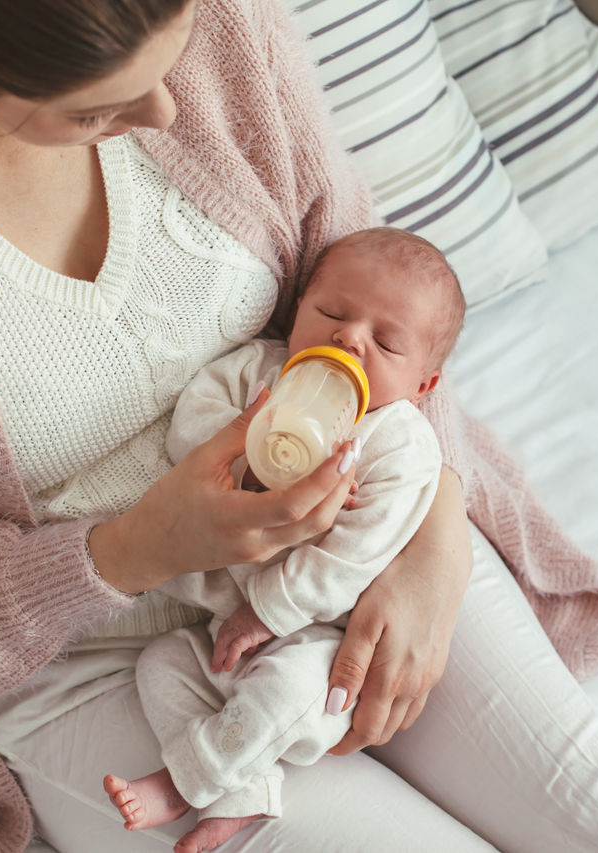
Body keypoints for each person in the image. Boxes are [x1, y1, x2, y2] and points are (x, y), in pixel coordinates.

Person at [0, 0, 598, 851]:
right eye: (96, 108)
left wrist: (435, 527)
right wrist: (127, 551)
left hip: (357, 535)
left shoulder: (216, 26)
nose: (168, 110)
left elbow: (374, 293)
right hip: (85, 659)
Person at [102, 227, 465, 851]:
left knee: (295, 691)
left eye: (384, 342)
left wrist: (268, 613)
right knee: (160, 666)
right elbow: (193, 427)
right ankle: (243, 791)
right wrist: (241, 459)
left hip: (324, 634)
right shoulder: (255, 373)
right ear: (298, 311)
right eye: (331, 313)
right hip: (219, 622)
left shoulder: (399, 445)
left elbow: (354, 555)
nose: (349, 337)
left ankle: (185, 781)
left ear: (423, 386)